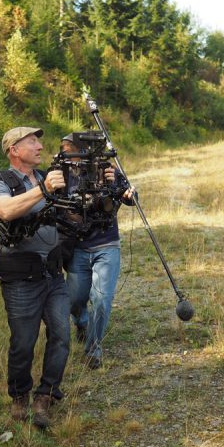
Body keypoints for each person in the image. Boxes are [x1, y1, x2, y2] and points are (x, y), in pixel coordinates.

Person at [0, 126, 71, 429]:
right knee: (23, 342)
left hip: (52, 273)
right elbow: (5, 211)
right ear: (14, 150)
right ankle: (20, 395)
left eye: (39, 140)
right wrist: (44, 189)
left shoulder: (51, 175)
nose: (39, 145)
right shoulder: (2, 181)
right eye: (32, 141)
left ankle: (45, 396)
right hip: (21, 276)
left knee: (62, 335)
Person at [60, 133, 134, 370]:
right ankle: (81, 322)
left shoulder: (107, 169)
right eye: (64, 151)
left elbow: (131, 197)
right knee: (74, 300)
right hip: (78, 246)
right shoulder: (61, 174)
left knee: (101, 299)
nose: (67, 156)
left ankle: (93, 349)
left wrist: (120, 189)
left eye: (71, 151)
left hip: (106, 245)